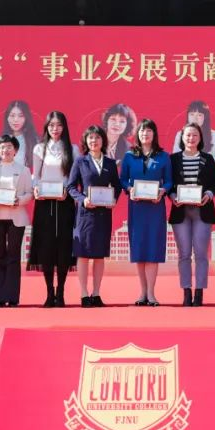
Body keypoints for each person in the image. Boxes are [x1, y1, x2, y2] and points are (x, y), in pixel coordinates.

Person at [66, 125, 122, 307]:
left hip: (103, 215)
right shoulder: (80, 162)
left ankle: (96, 293)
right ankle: (84, 294)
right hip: (85, 214)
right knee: (82, 255)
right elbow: (71, 187)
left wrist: (113, 199)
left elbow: (117, 186)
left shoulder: (110, 163)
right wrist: (83, 200)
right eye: (90, 138)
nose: (94, 141)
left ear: (103, 140)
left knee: (99, 255)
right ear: (86, 141)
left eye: (97, 137)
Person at [120, 119, 173, 306]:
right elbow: (123, 180)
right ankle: (142, 292)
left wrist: (162, 191)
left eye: (149, 131)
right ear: (137, 134)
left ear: (154, 134)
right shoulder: (129, 156)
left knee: (152, 249)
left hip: (155, 208)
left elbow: (169, 181)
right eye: (142, 131)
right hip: (136, 208)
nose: (145, 134)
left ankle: (151, 293)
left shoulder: (163, 156)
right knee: (139, 249)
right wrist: (129, 189)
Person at [29, 111, 79, 307]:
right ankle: (50, 292)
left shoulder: (72, 149)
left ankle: (61, 291)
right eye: (51, 125)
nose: (55, 129)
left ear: (64, 127)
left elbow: (74, 177)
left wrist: (68, 190)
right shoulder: (39, 148)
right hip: (44, 202)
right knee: (47, 247)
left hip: (65, 201)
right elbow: (36, 176)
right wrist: (35, 188)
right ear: (46, 127)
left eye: (58, 125)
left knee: (64, 247)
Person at [170, 123, 215, 307]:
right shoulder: (173, 159)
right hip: (180, 211)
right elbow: (167, 183)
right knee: (184, 253)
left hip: (202, 211)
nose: (191, 138)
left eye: (195, 135)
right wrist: (172, 196)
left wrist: (209, 194)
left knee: (200, 253)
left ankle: (199, 292)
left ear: (200, 138)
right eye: (188, 135)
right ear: (182, 138)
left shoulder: (208, 158)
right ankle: (186, 291)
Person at [0, 134, 34, 307]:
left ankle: (12, 297)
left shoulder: (24, 170)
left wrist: (20, 200)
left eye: (10, 147)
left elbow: (29, 193)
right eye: (2, 147)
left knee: (13, 257)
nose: (6, 150)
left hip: (16, 218)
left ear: (16, 150)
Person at [0, 100, 39, 167]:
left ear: (26, 118)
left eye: (21, 116)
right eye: (12, 115)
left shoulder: (35, 141)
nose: (16, 119)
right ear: (7, 118)